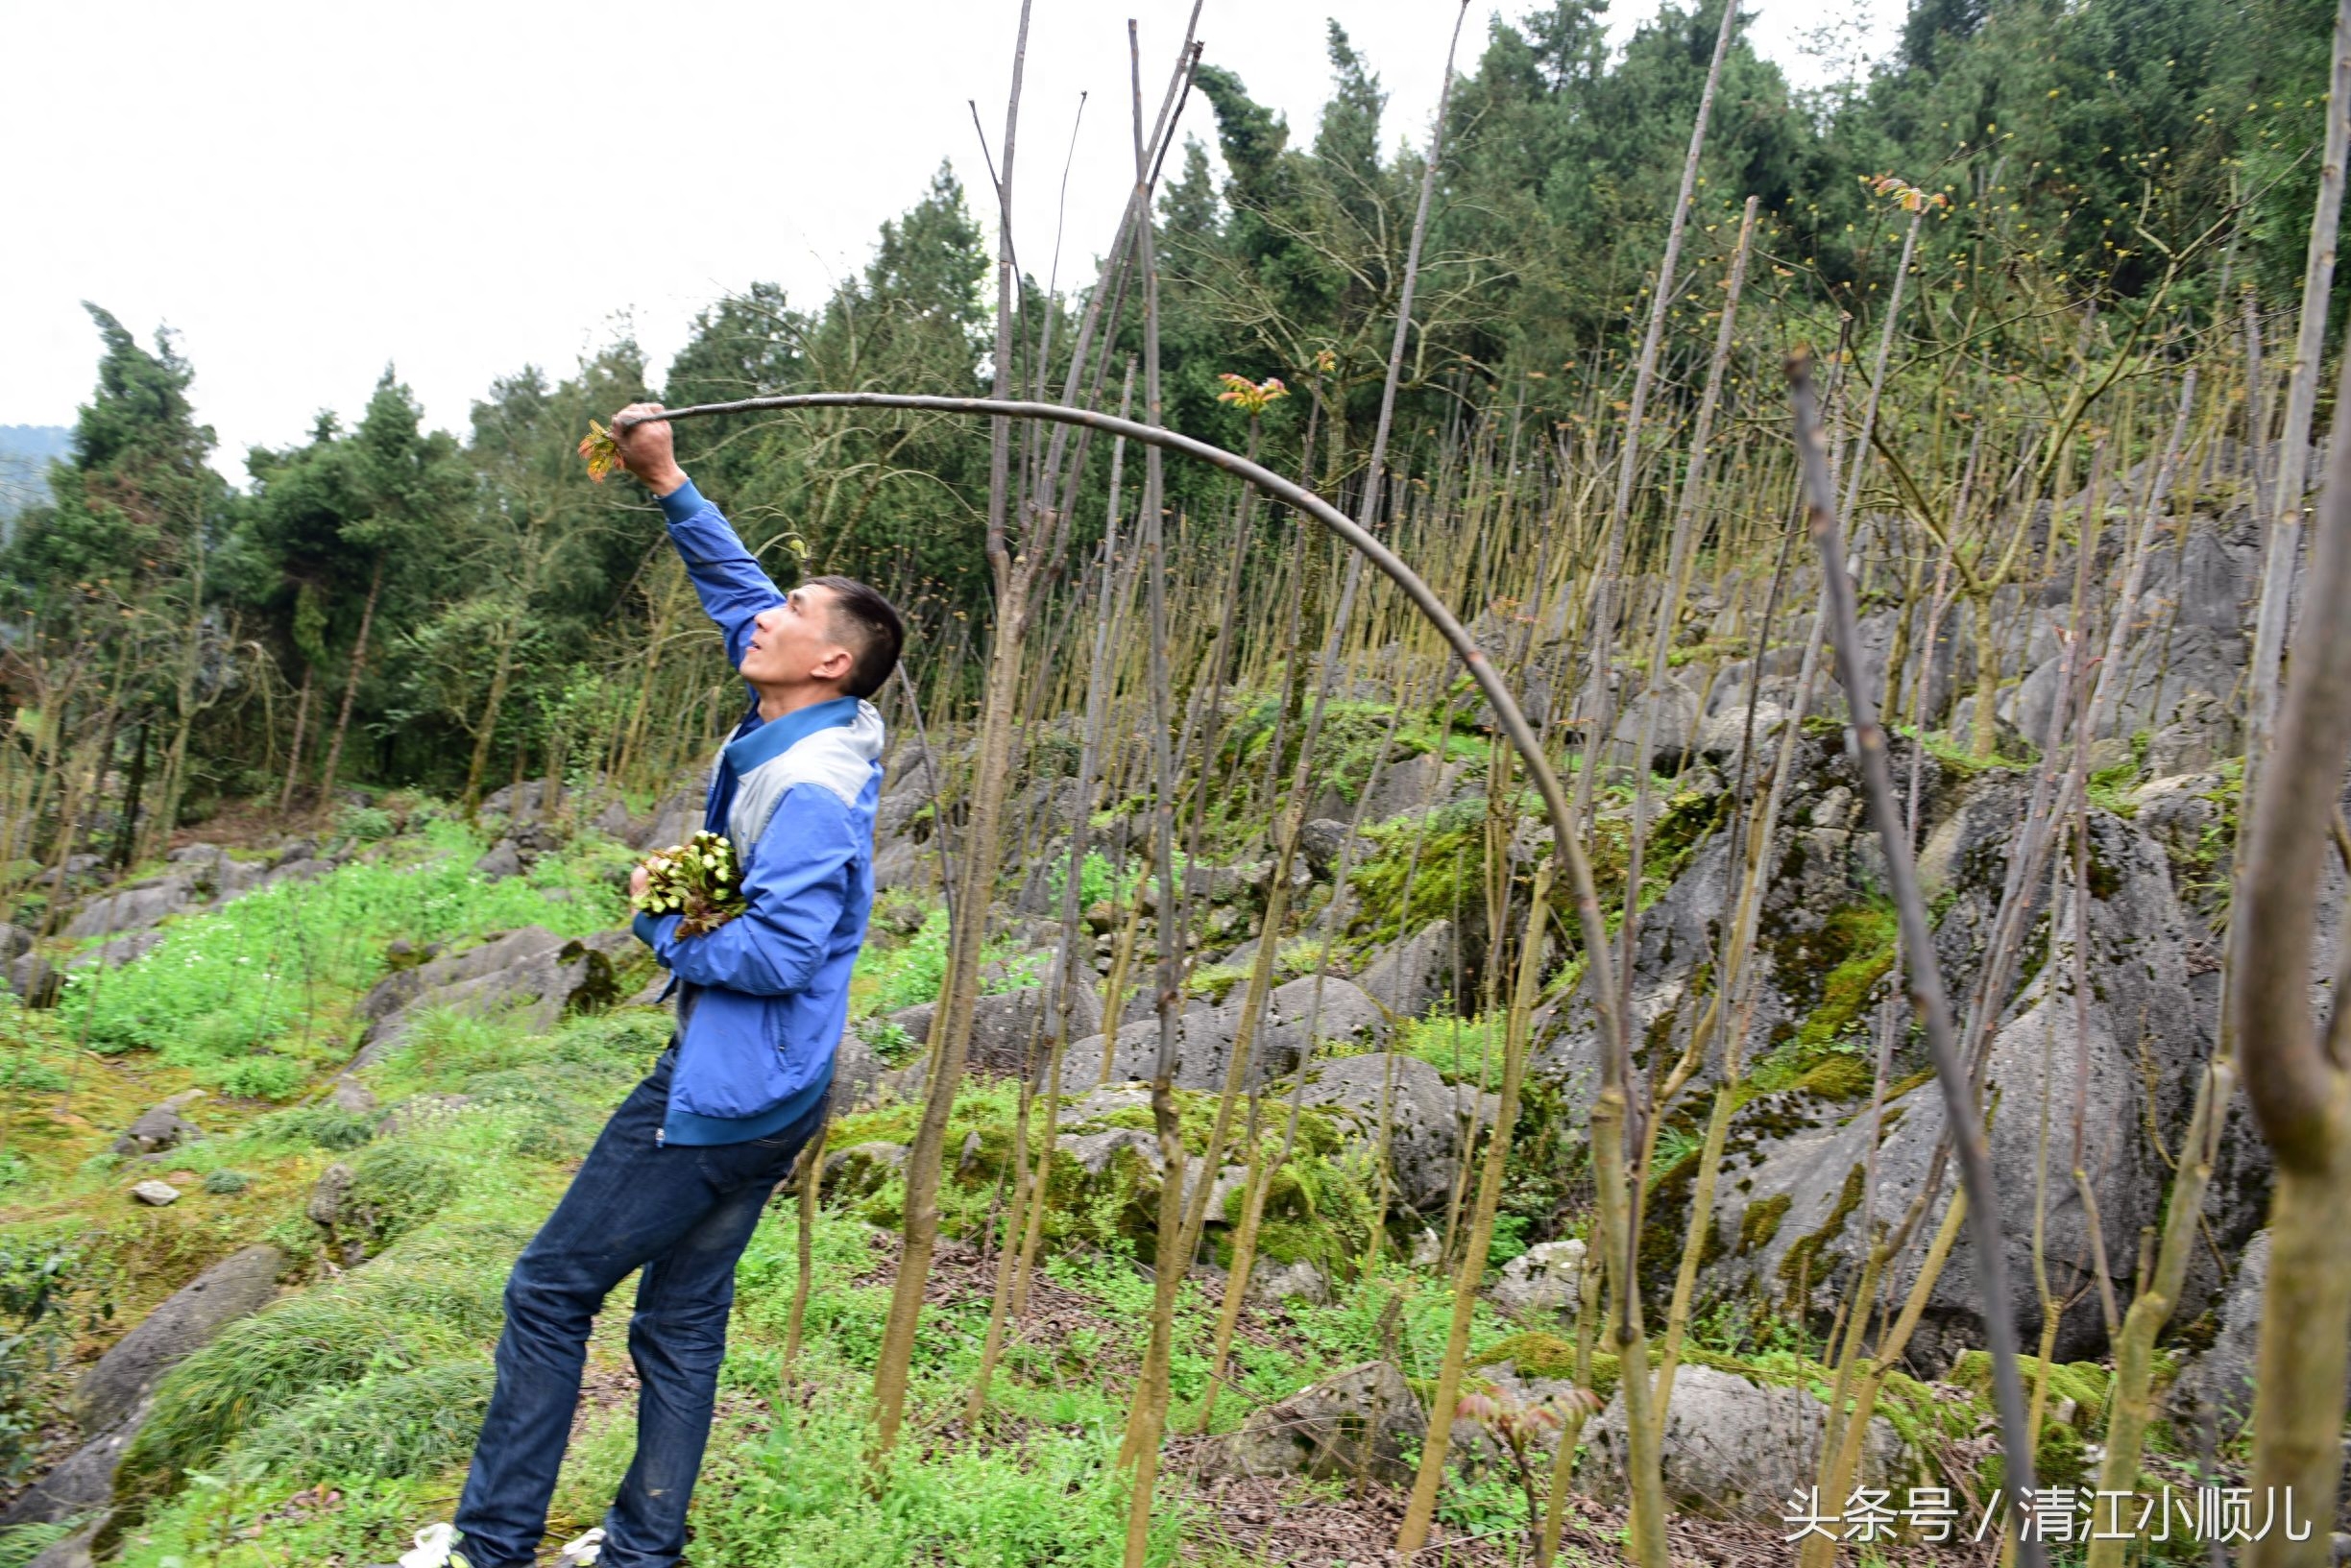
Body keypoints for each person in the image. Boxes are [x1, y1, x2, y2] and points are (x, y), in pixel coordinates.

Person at [394, 405, 905, 1568]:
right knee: (678, 1319)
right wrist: (667, 479)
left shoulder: (816, 786)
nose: (763, 614)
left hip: (724, 1098)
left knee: (546, 1289)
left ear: (829, 659)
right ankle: (639, 1552)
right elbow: (737, 592)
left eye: (792, 613)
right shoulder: (811, 705)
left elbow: (779, 956)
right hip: (776, 1085)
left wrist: (660, 922)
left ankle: (489, 1546)